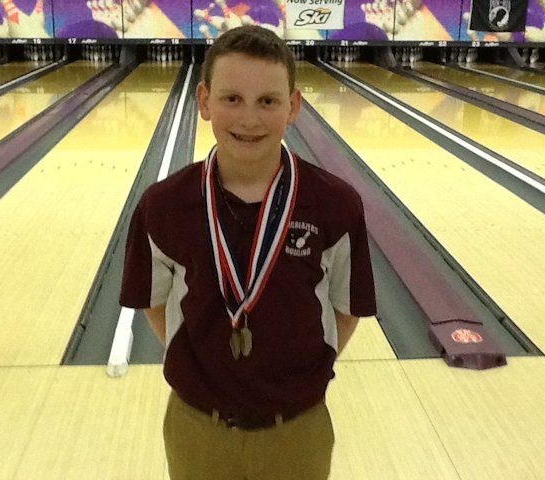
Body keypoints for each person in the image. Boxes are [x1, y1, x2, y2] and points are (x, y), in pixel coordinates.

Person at [120, 25, 376, 480]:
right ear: (203, 101)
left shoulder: (336, 204)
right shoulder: (162, 206)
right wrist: (208, 368)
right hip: (197, 425)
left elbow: (345, 310)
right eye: (232, 98)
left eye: (268, 101)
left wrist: (290, 378)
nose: (249, 119)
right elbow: (156, 306)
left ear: (292, 106)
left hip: (298, 427)